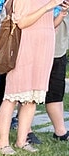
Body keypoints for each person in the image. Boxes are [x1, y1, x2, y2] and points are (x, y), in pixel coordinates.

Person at [0, 0, 63, 154]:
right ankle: (2, 142)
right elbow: (22, 22)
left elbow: (51, 25)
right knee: (12, 95)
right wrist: (48, 6)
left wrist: (63, 13)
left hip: (44, 48)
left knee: (32, 96)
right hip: (24, 46)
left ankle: (21, 140)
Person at [44, 3, 69, 140]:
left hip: (59, 48)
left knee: (57, 89)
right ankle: (26, 130)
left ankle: (60, 131)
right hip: (42, 45)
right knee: (30, 91)